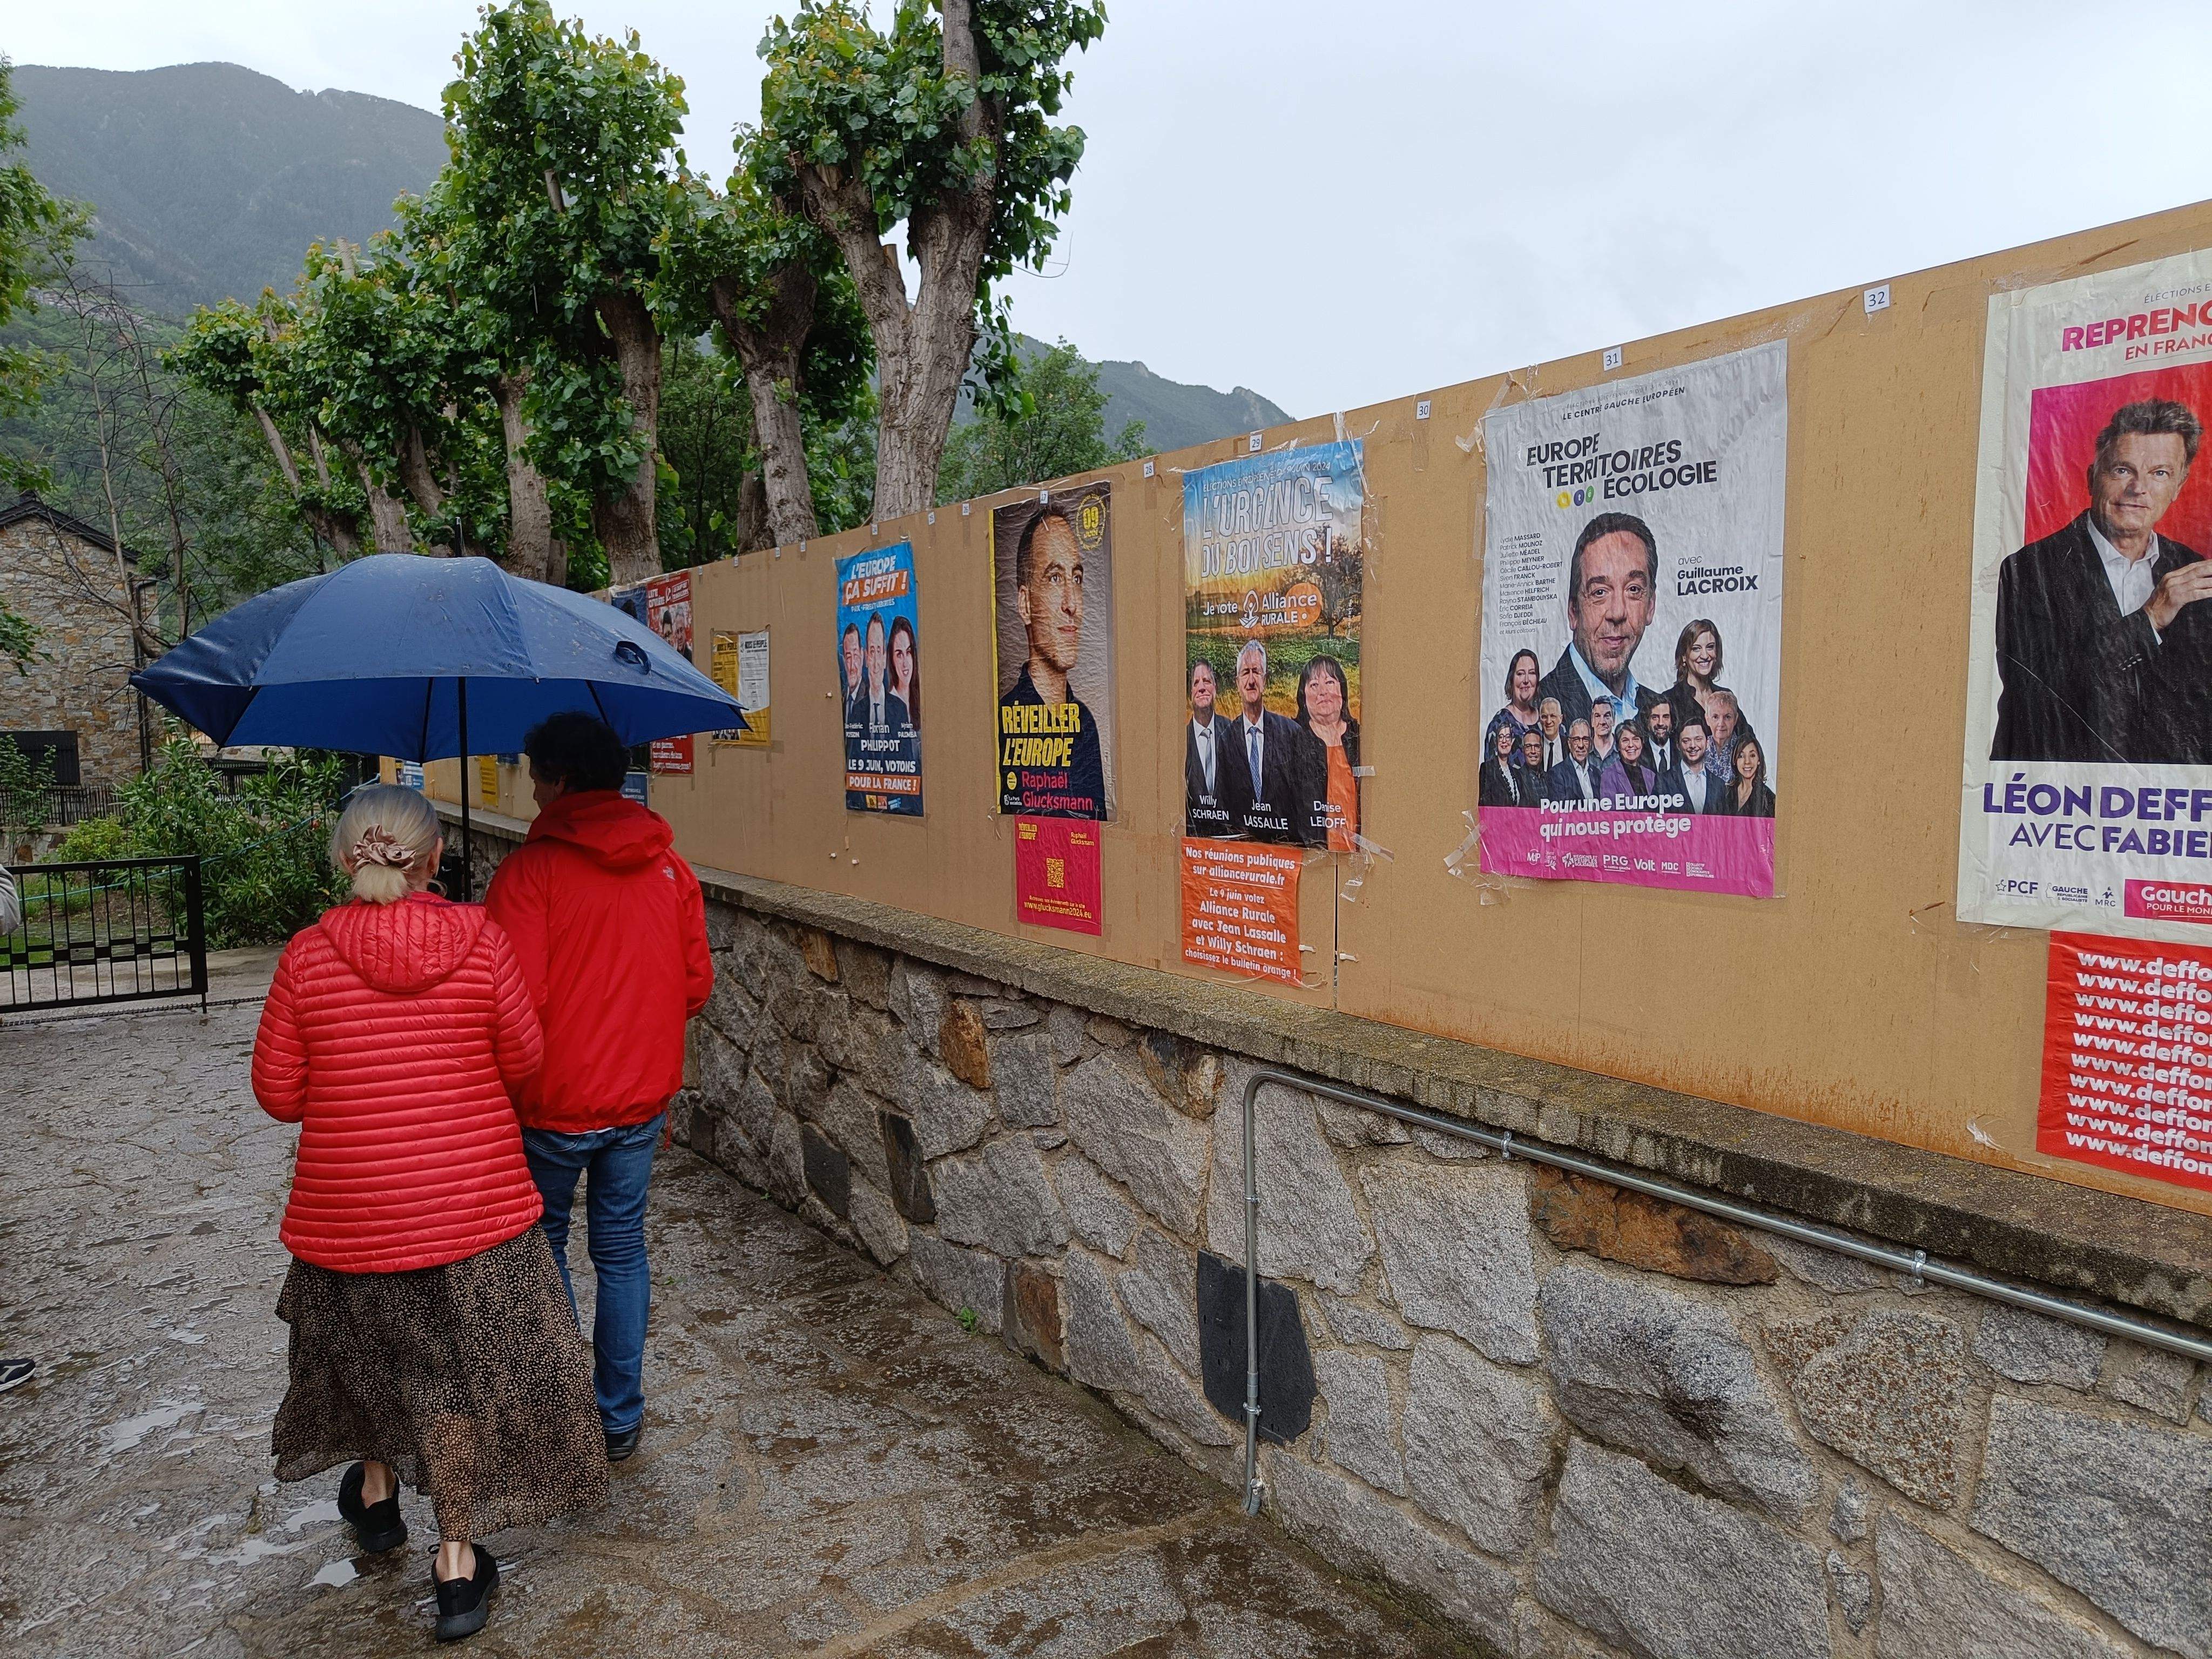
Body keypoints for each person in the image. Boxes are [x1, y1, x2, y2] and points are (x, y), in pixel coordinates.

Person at [254, 784, 604, 1643]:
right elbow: (524, 1058)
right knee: (449, 1381)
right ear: (435, 859)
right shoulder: (481, 942)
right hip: (472, 1216)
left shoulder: (306, 957)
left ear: (346, 860)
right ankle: (455, 1565)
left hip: (351, 1222)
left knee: (375, 1359)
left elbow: (278, 1093)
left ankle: (377, 1502)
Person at [484, 714, 712, 1468]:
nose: (532, 788)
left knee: (544, 1246)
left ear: (560, 780)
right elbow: (695, 986)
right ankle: (618, 1417)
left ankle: (561, 1408)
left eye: (535, 774)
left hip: (553, 1103)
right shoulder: (671, 869)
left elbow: (516, 1002)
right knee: (621, 1250)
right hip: (641, 1101)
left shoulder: (530, 875)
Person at [1994, 399, 2212, 762]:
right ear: (2092, 476)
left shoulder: (2196, 571)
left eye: (2160, 473)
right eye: (2123, 470)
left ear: (2178, 485)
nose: (2139, 489)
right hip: (2057, 797)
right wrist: (2150, 619)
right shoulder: (2028, 570)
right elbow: (2039, 697)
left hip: (2165, 805)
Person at [997, 505, 1105, 818]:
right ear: (1025, 604)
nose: (1072, 604)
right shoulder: (1003, 721)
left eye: (1077, 578)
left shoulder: (1085, 724)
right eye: (1055, 578)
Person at [1537, 512, 1663, 733]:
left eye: (1633, 589)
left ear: (1650, 607)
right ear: (1573, 611)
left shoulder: (1660, 713)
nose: (1617, 612)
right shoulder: (1537, 708)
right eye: (1599, 592)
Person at [1229, 639, 1324, 845]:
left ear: (1266, 680)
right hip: (1241, 857)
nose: (1251, 680)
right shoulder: (1226, 739)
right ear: (1237, 683)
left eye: (1257, 672)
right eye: (1246, 673)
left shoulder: (1291, 733)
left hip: (1286, 856)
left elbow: (1306, 804)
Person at [1295, 652, 1360, 850]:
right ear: (1304, 696)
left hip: (1359, 856)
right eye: (1314, 685)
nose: (1323, 691)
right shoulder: (1292, 741)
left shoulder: (1360, 738)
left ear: (1342, 690)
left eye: (1330, 682)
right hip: (1313, 857)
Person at [1184, 659, 1238, 835]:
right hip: (1195, 843)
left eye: (1207, 681)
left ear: (1215, 689)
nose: (1202, 688)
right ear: (1190, 693)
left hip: (1231, 844)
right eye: (1196, 683)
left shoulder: (1233, 732)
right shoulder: (1181, 740)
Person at [1486, 649, 1542, 753]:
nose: (1526, 680)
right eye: (1520, 674)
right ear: (1511, 679)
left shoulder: (1546, 721)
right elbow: (1490, 769)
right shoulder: (1498, 723)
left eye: (1532, 673)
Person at [1663, 716, 1721, 813]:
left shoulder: (1719, 784)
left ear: (1707, 743)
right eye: (1686, 741)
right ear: (1678, 745)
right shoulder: (1664, 780)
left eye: (1698, 739)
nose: (1693, 746)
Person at [1599, 716, 1656, 804]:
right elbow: (1609, 814)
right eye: (1625, 741)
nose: (1631, 745)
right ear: (1618, 746)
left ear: (1642, 743)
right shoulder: (1609, 776)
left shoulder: (1651, 776)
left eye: (1636, 739)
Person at [1720, 733, 1777, 818]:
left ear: (1759, 760)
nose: (1747, 762)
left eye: (1752, 755)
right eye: (1741, 756)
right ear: (1735, 761)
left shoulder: (1768, 798)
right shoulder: (1726, 793)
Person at [1547, 718, 1601, 806]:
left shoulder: (1597, 774)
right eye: (1576, 740)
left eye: (1585, 739)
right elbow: (1560, 813)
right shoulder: (1556, 774)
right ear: (1569, 743)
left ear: (1591, 743)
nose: (1581, 745)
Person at [1480, 721, 1532, 807]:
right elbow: (1484, 804)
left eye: (1508, 737)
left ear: (1512, 741)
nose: (1504, 741)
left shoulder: (1517, 774)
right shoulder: (1487, 769)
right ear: (1496, 742)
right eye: (1501, 737)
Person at [889, 615, 921, 730]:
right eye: (899, 654)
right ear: (892, 659)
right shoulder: (886, 706)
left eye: (908, 652)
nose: (905, 663)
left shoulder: (920, 699)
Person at [1705, 690, 1744, 782]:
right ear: (1707, 720)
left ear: (1735, 719)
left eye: (1727, 717)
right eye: (1715, 717)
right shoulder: (1699, 749)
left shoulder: (1743, 751)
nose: (1721, 724)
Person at [839, 622, 865, 726]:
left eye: (856, 655)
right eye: (849, 657)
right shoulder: (843, 697)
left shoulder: (870, 697)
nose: (852, 667)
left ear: (862, 655)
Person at [1643, 697, 1677, 776]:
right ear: (1647, 722)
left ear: (1672, 722)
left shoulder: (1681, 754)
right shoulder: (1639, 754)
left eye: (1666, 717)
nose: (1661, 723)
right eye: (1655, 717)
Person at [1516, 727, 1552, 801]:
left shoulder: (1550, 778)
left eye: (1537, 746)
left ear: (1542, 750)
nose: (1533, 751)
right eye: (1528, 747)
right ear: (1523, 750)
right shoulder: (1517, 778)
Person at [1535, 697, 1566, 771]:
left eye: (1553, 716)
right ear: (1540, 720)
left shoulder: (1569, 746)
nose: (1549, 721)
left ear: (1561, 719)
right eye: (1544, 717)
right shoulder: (1535, 747)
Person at [1588, 698, 1617, 768]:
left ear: (1613, 720)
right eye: (1597, 716)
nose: (1602, 722)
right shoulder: (1584, 751)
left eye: (1607, 716)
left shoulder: (1623, 750)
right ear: (1592, 721)